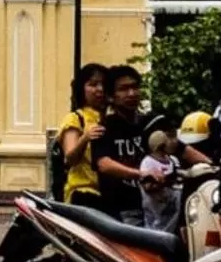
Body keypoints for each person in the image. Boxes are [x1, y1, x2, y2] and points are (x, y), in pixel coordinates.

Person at [94, 66, 152, 218]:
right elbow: (104, 164)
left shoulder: (150, 123)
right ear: (111, 96)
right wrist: (141, 174)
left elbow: (180, 147)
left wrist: (212, 165)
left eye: (135, 87)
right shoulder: (104, 128)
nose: (131, 93)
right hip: (122, 211)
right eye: (124, 89)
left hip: (155, 207)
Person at [58, 63, 110, 204]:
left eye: (103, 85)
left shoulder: (112, 118)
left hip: (111, 193)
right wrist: (85, 138)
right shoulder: (76, 118)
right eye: (93, 85)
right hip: (83, 191)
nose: (99, 89)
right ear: (82, 89)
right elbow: (70, 158)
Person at [138, 125, 185, 233]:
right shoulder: (148, 162)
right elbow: (146, 186)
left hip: (173, 214)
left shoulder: (173, 160)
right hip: (156, 214)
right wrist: (162, 182)